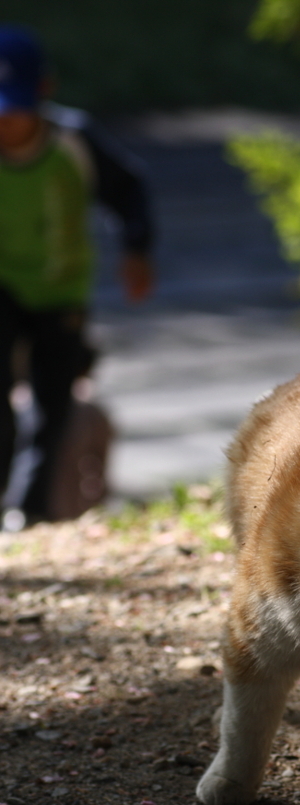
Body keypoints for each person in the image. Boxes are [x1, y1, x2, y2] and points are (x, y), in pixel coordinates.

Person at [0, 25, 154, 524]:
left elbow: (129, 190)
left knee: (53, 405)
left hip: (60, 289)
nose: (8, 124)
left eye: (16, 108)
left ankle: (30, 511)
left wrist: (137, 250)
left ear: (43, 91)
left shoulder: (73, 141)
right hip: (2, 285)